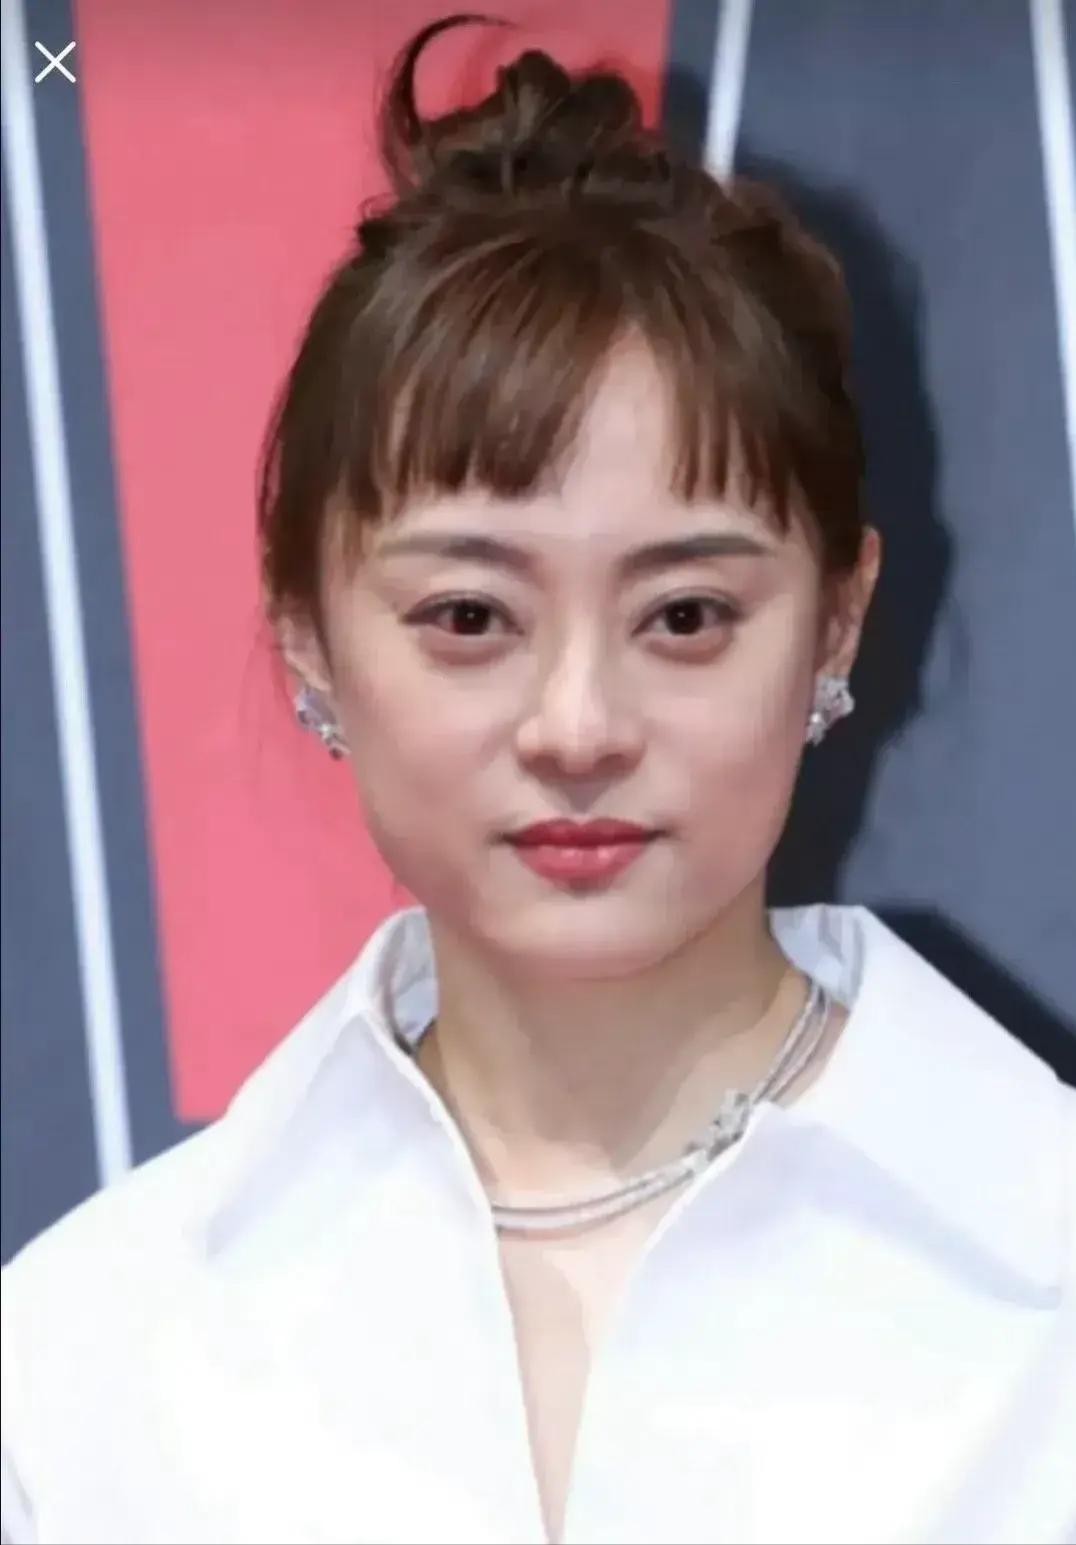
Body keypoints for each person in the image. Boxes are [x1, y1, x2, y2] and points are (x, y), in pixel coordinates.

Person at [2, 12, 1074, 1545]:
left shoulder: (1042, 1247)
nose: (578, 724)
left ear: (836, 620)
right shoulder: (82, 1361)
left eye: (684, 616)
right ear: (309, 636)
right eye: (470, 617)